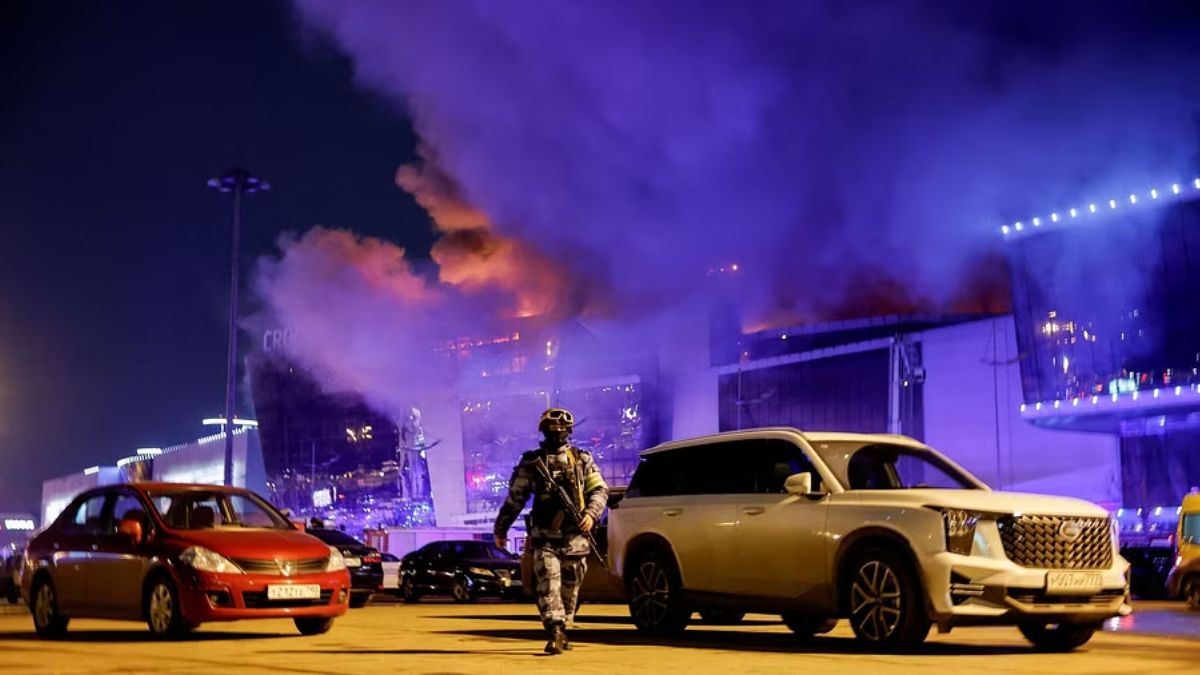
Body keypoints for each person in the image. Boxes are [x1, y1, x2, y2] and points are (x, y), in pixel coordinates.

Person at [494, 407, 609, 655]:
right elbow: (515, 499)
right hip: (545, 537)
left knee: (570, 589)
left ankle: (563, 626)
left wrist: (590, 514)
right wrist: (501, 528)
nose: (557, 433)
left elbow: (599, 490)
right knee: (548, 584)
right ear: (544, 431)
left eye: (561, 429)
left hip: (576, 538)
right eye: (552, 429)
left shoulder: (582, 459)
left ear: (569, 431)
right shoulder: (532, 463)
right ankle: (555, 630)